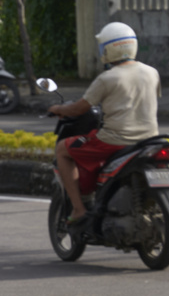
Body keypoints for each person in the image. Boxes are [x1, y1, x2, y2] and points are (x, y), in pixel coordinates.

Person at [48, 22, 161, 225]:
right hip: (149, 141)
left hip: (114, 141)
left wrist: (58, 109)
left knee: (62, 149)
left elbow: (79, 108)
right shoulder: (152, 72)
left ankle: (79, 208)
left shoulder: (107, 78)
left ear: (108, 49)